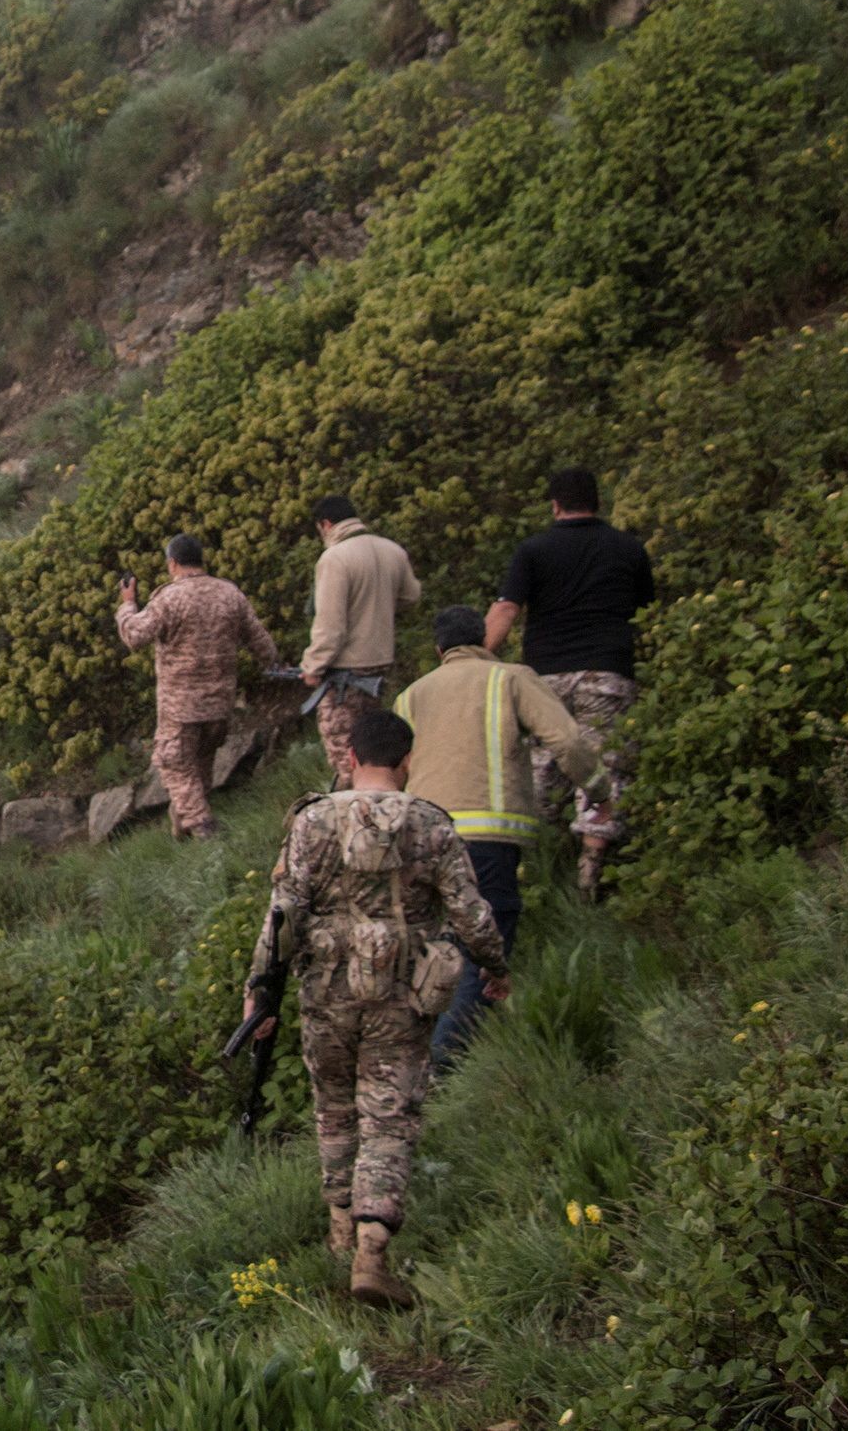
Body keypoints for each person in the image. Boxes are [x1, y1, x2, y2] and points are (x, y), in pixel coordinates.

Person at [239, 708, 511, 1307]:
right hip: (402, 998)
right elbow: (471, 915)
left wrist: (259, 991)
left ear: (351, 758)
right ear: (408, 761)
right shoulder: (432, 825)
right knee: (389, 1117)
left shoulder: (311, 821)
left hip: (326, 994)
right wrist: (495, 967)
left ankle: (339, 1233)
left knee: (333, 1109)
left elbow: (283, 914)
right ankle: (371, 1250)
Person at [394, 605, 607, 1067]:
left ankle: (412, 1058)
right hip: (485, 837)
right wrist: (599, 791)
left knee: (434, 947)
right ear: (489, 641)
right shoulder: (511, 678)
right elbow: (568, 742)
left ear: (438, 649)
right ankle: (444, 1065)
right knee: (481, 947)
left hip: (417, 838)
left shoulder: (411, 695)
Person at [485, 468, 655, 899]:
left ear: (554, 504)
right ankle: (591, 870)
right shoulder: (628, 548)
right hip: (608, 671)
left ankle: (536, 864)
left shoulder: (534, 550)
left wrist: (474, 657)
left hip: (547, 677)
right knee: (606, 765)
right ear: (599, 502)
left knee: (543, 762)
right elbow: (647, 612)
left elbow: (507, 610)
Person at [115, 534, 280, 839]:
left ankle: (206, 829)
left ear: (172, 563)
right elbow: (261, 642)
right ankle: (183, 834)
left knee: (174, 764)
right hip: (220, 703)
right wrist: (273, 666)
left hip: (181, 708)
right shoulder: (229, 594)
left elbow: (135, 636)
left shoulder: (170, 598)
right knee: (200, 768)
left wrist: (127, 605)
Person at [299, 494, 422, 789]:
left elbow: (330, 626)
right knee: (376, 749)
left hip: (345, 675)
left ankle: (350, 815)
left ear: (326, 524)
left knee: (346, 755)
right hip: (381, 667)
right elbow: (411, 596)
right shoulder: (392, 550)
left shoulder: (335, 558)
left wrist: (313, 665)